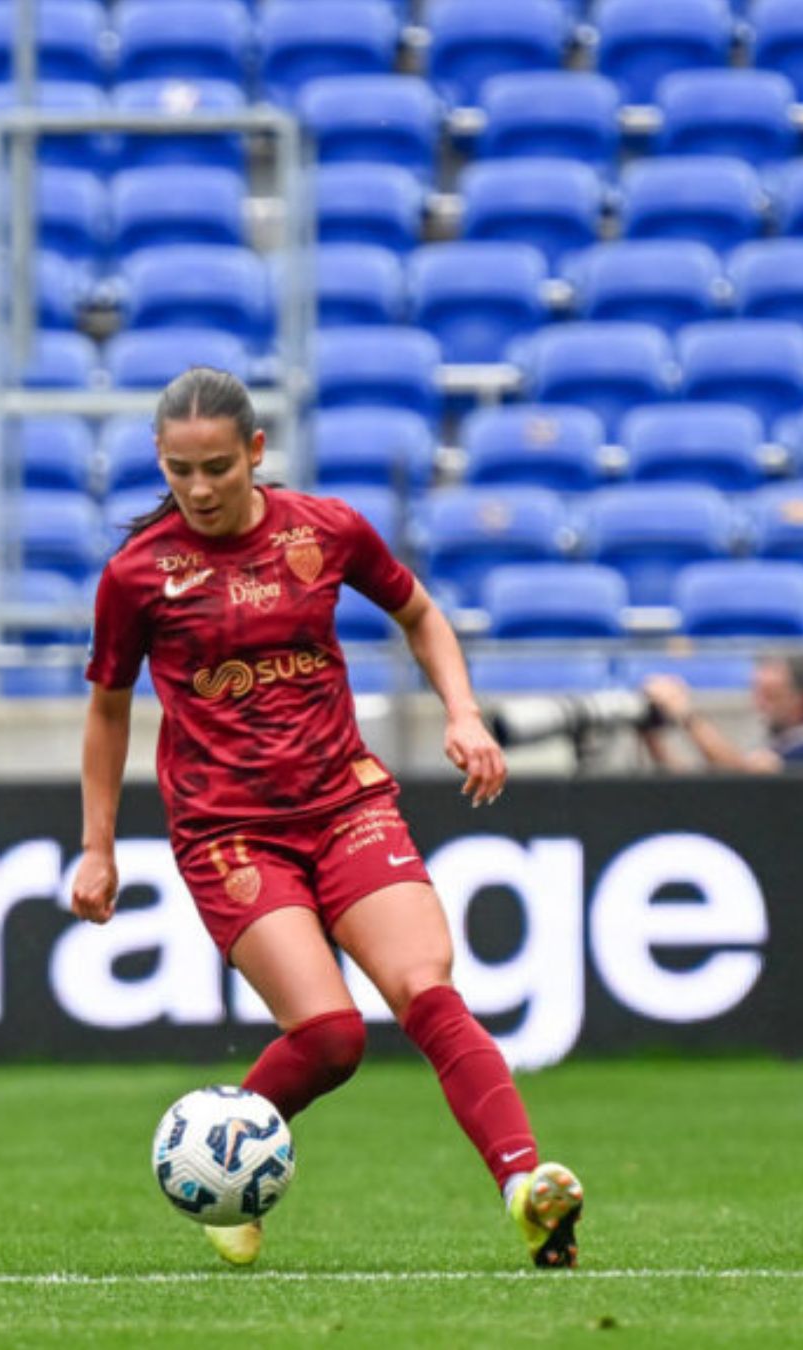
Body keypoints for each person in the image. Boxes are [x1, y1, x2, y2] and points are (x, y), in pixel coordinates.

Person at [72, 368, 585, 1270]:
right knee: (333, 1038)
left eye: (218, 468)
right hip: (229, 832)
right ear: (160, 461)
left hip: (346, 803)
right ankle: (221, 1176)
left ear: (256, 453)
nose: (198, 489)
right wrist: (98, 848)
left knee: (426, 988)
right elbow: (109, 708)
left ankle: (524, 1189)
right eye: (180, 470)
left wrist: (462, 714)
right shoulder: (138, 576)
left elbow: (421, 615)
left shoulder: (328, 529)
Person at [639, 654, 803, 773]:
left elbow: (741, 777)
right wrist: (653, 740)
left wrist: (686, 714)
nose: (760, 705)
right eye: (757, 693)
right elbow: (700, 789)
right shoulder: (775, 745)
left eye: (771, 695)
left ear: (802, 700)